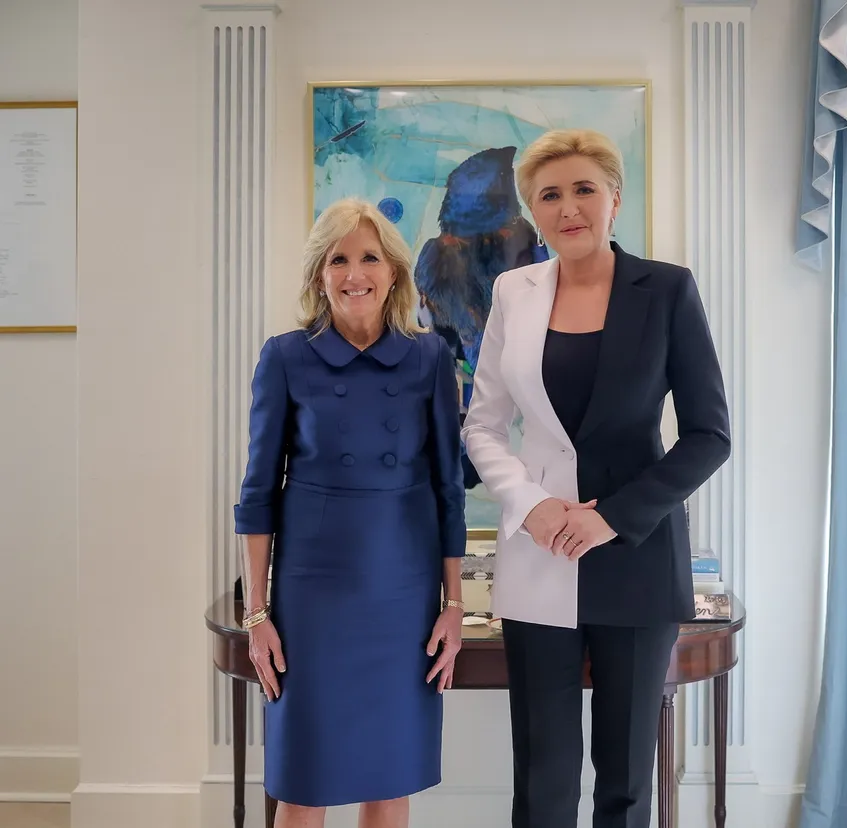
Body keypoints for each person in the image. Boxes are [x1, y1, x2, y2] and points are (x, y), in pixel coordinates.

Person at [461, 129, 731, 828]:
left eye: (584, 189)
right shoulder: (512, 292)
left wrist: (609, 516)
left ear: (615, 198)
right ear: (533, 211)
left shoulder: (667, 289)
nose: (568, 207)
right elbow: (482, 425)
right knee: (542, 780)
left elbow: (709, 435)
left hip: (636, 556)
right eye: (549, 195)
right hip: (539, 549)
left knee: (627, 783)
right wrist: (530, 504)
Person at [233, 198, 467, 828]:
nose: (354, 273)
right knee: (303, 782)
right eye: (338, 259)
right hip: (312, 600)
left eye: (370, 258)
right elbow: (258, 494)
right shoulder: (285, 356)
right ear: (320, 274)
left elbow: (449, 489)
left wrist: (452, 604)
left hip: (403, 595)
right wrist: (257, 613)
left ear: (394, 272)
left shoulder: (429, 358)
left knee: (389, 778)